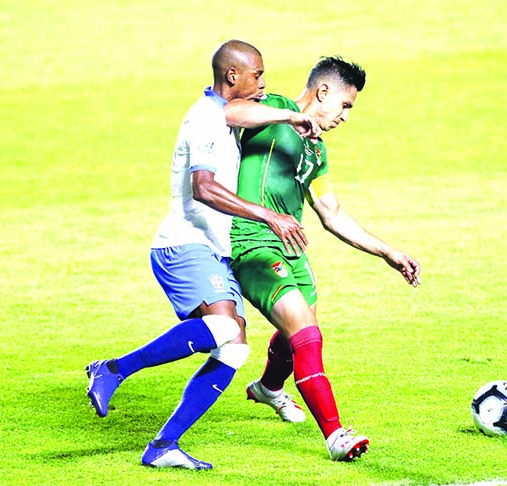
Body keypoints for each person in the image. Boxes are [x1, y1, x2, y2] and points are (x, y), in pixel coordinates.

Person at [84, 39, 321, 470]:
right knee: (221, 327)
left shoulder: (221, 112)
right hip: (183, 244)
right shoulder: (206, 119)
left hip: (213, 251)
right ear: (233, 76)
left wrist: (291, 115)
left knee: (233, 346)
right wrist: (270, 216)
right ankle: (113, 370)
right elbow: (205, 188)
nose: (263, 83)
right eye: (258, 75)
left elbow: (243, 111)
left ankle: (162, 447)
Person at [230, 56, 421, 462]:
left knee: (298, 330)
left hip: (291, 247)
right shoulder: (272, 107)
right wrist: (287, 117)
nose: (346, 116)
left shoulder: (317, 150)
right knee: (307, 335)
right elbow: (231, 112)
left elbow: (331, 213)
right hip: (252, 242)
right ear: (323, 92)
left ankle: (267, 388)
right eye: (346, 105)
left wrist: (387, 250)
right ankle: (335, 435)